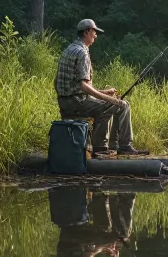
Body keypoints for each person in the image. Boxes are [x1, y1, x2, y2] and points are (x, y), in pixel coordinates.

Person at [55, 18, 147, 156]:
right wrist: (109, 99)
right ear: (86, 32)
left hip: (65, 102)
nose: (96, 35)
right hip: (77, 102)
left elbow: (74, 86)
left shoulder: (69, 49)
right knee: (123, 105)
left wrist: (104, 92)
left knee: (107, 107)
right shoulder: (82, 53)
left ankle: (101, 148)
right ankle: (124, 146)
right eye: (94, 32)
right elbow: (84, 87)